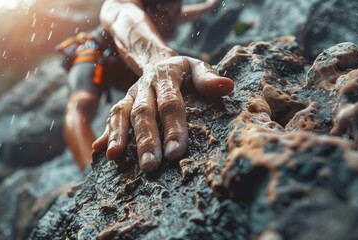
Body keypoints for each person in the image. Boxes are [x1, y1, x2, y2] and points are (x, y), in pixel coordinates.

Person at [58, 0, 234, 172]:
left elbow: (183, 14)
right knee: (82, 101)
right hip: (96, 54)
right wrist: (161, 63)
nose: (172, 20)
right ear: (148, 12)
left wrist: (209, 6)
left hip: (128, 62)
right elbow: (124, 16)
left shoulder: (167, 14)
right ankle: (88, 170)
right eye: (165, 14)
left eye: (175, 13)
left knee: (199, 65)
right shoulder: (121, 5)